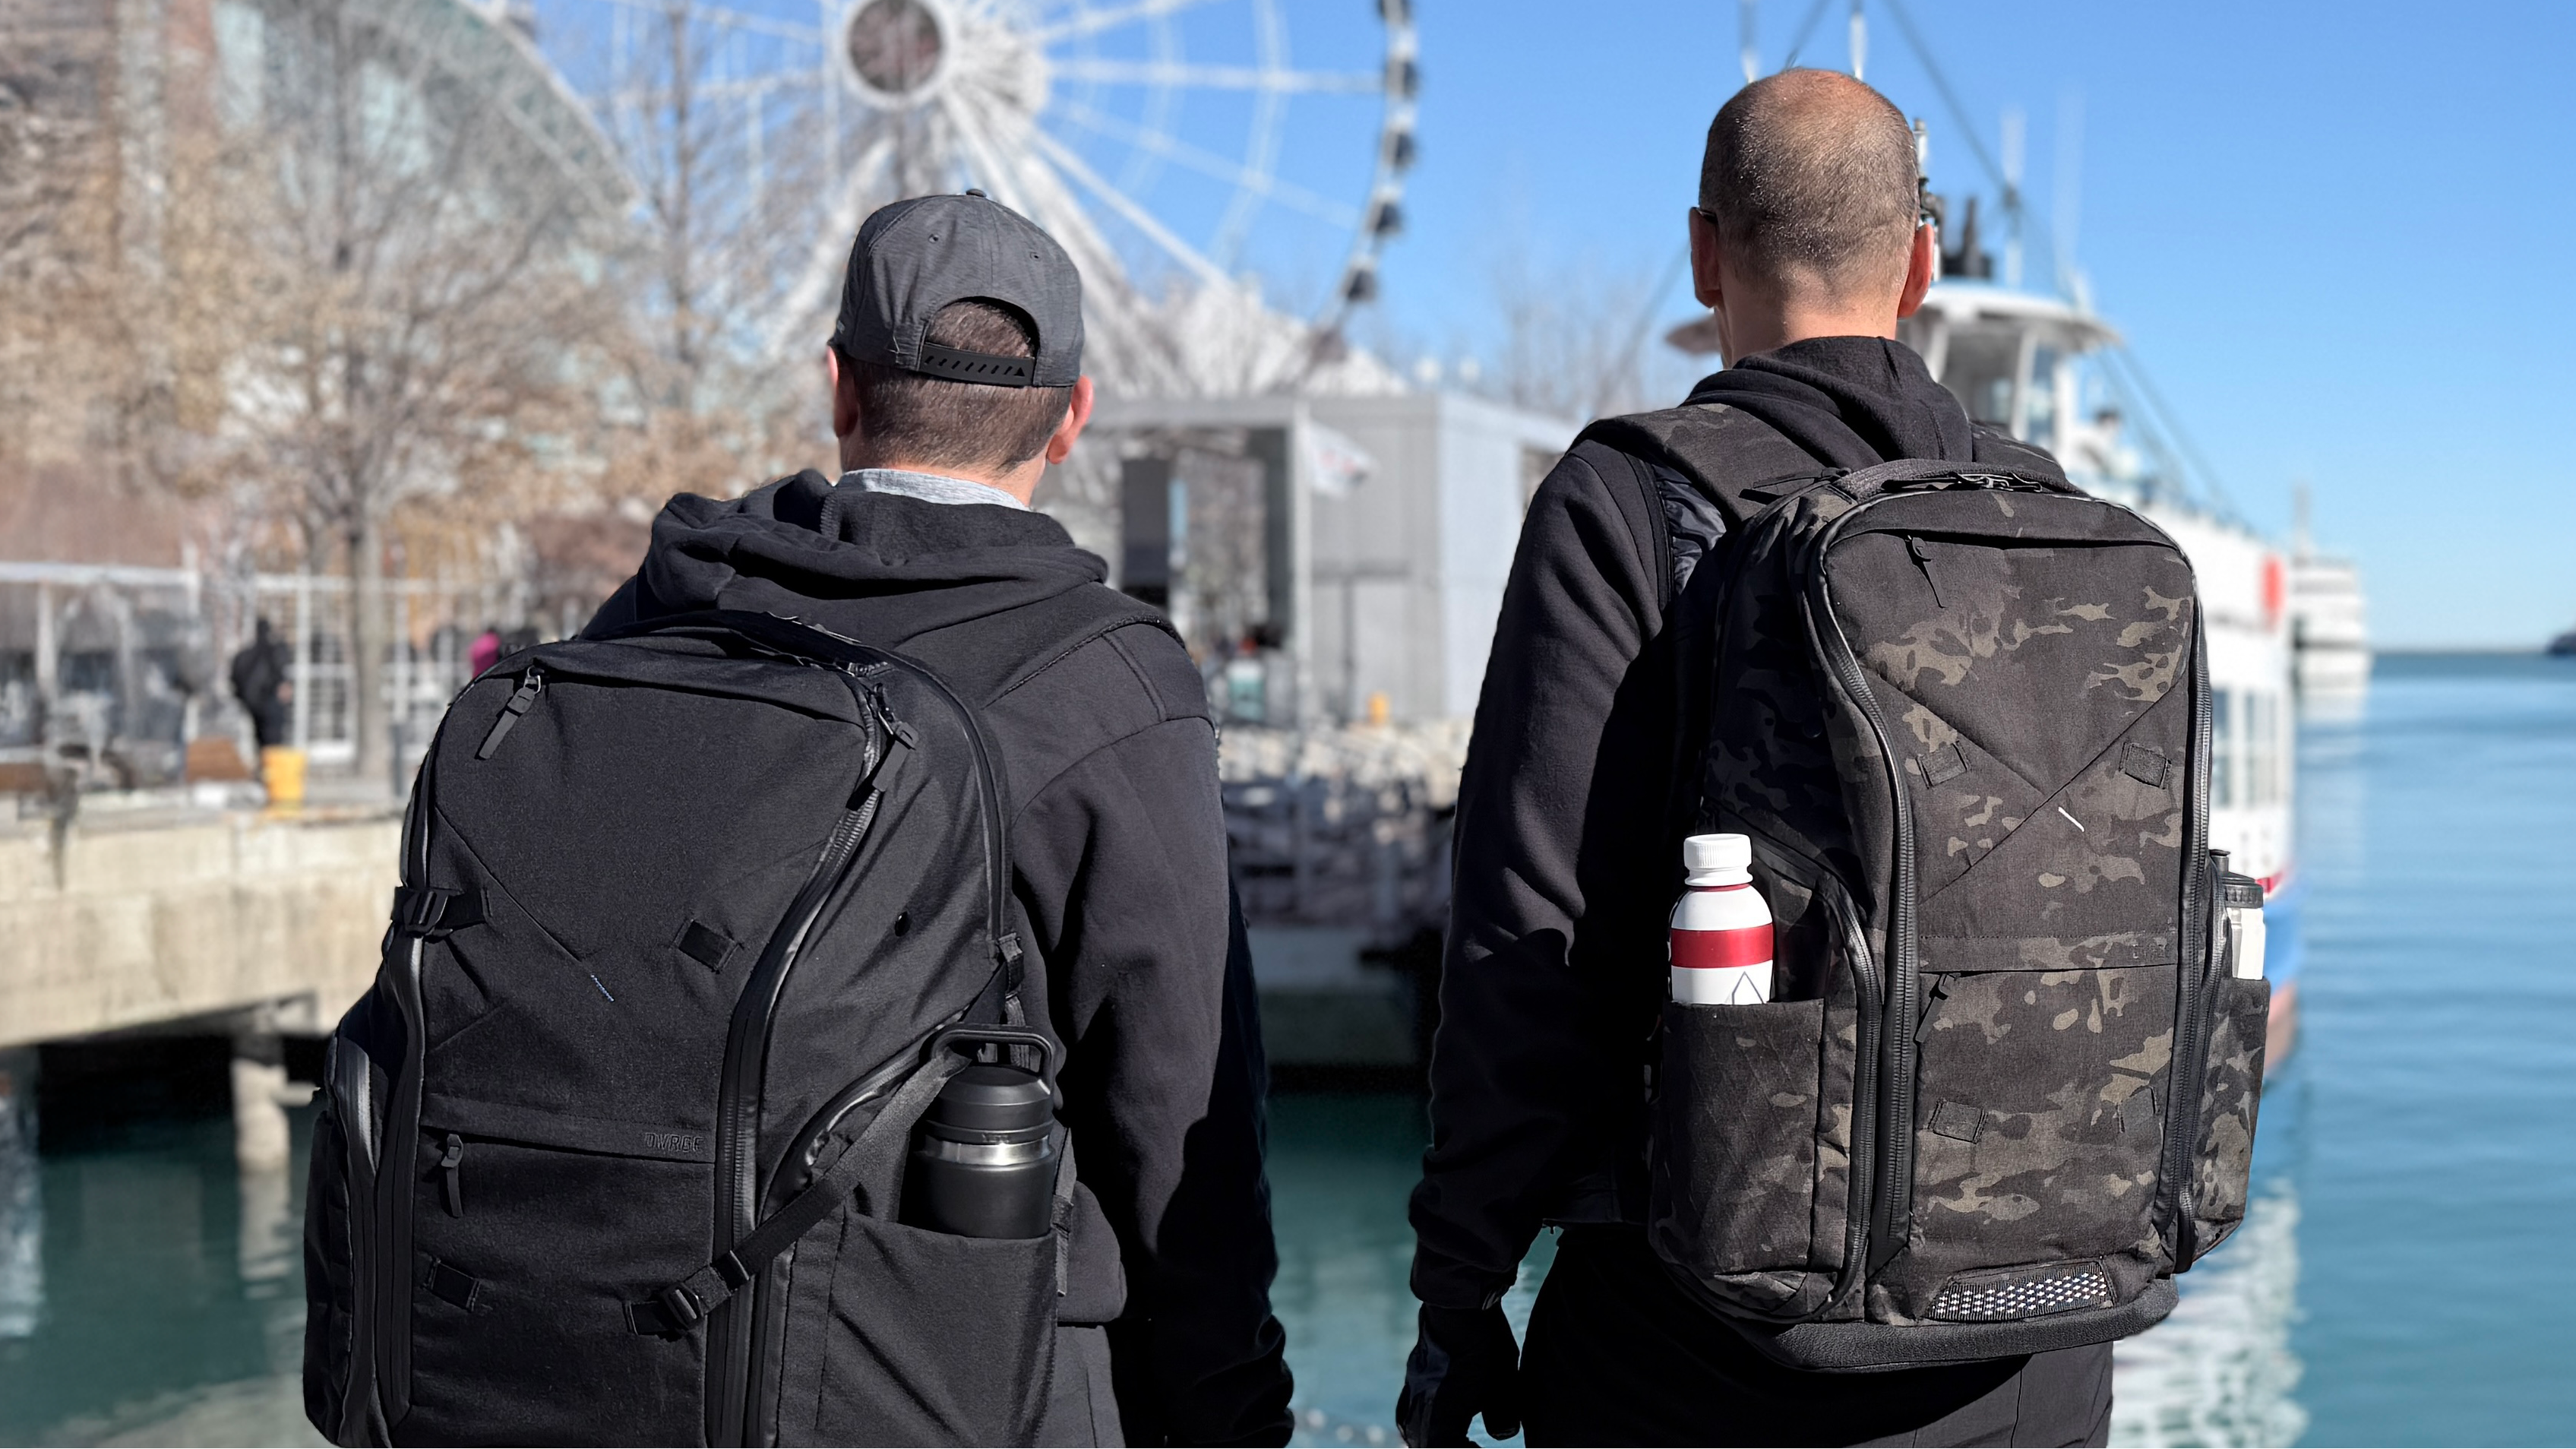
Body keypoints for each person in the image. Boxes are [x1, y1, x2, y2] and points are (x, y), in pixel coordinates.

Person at [1399, 71, 2107, 1448]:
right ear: (1921, 262)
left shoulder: (1628, 501)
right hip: (2039, 1337)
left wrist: (1461, 1283)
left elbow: (1528, 939)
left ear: (1703, 253)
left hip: (1705, 1339)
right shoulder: (2051, 513)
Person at [586, 193, 1293, 1448]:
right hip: (971, 1374)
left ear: (839, 386)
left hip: (622, 1358)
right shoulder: (1106, 683)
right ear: (1072, 417)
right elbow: (1179, 1109)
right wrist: (1231, 1409)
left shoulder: (653, 615)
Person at [227, 616, 292, 748]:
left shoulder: (245, 655)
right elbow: (280, 675)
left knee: (260, 742)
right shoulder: (274, 652)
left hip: (253, 705)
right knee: (273, 744)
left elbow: (234, 679)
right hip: (270, 704)